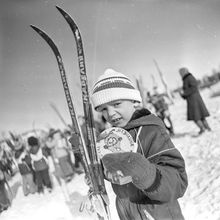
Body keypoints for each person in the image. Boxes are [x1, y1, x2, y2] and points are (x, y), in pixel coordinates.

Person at [90, 68, 188, 220]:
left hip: (156, 211)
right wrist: (90, 158)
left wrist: (144, 172)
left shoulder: (151, 131)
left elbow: (177, 182)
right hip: (127, 210)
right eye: (103, 109)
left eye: (116, 104)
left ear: (134, 101)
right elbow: (112, 172)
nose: (110, 114)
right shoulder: (112, 138)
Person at [179, 67, 211, 135]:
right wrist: (182, 95)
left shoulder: (189, 77)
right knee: (199, 115)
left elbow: (194, 87)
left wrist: (184, 93)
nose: (180, 74)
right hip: (192, 100)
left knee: (195, 116)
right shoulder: (186, 79)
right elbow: (188, 90)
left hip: (194, 100)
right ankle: (207, 128)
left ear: (184, 72)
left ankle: (203, 129)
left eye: (181, 72)